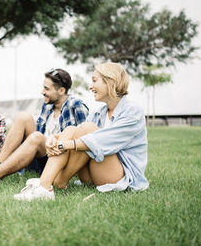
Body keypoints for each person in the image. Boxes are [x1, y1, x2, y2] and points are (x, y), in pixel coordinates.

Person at [13, 63, 149, 201]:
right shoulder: (99, 113)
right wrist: (53, 139)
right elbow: (75, 133)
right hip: (94, 173)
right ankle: (45, 184)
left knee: (87, 129)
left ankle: (53, 182)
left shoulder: (132, 112)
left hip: (120, 177)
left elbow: (103, 141)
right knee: (71, 129)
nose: (91, 86)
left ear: (111, 82)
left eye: (95, 81)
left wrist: (62, 145)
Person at [0, 68, 89, 187]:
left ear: (61, 90)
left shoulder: (76, 105)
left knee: (37, 137)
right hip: (43, 155)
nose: (42, 92)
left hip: (59, 158)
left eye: (47, 89)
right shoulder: (47, 106)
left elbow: (84, 139)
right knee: (23, 117)